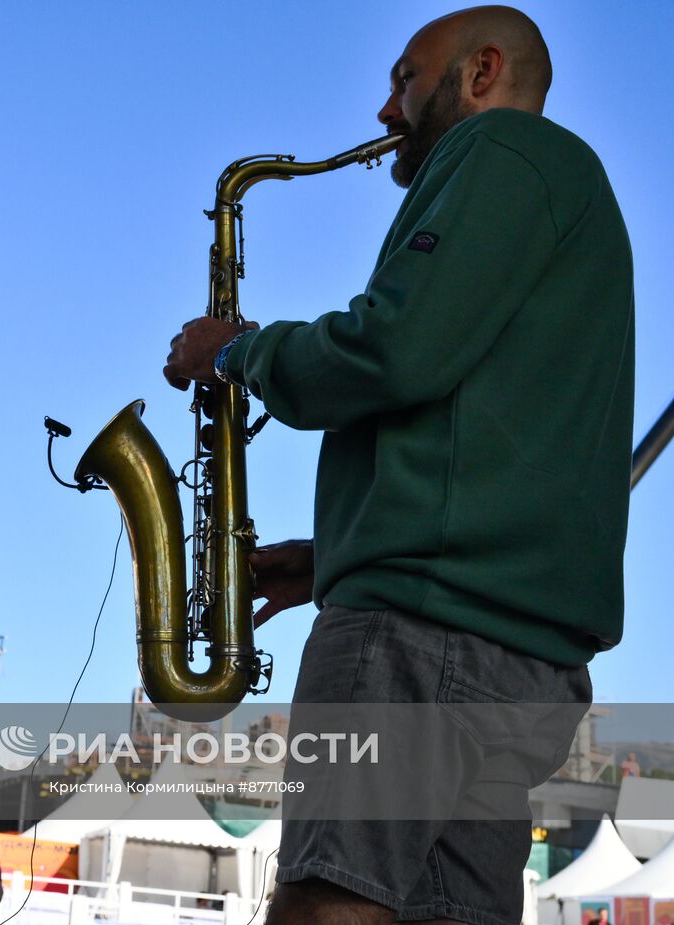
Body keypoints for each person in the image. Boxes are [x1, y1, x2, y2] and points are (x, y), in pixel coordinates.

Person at [163, 6, 631, 925]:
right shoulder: (563, 189)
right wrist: (337, 550)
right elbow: (485, 427)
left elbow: (396, 351)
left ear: (482, 71)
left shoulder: (501, 151)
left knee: (325, 905)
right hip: (514, 656)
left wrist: (237, 351)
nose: (385, 111)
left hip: (422, 640)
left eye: (405, 80)